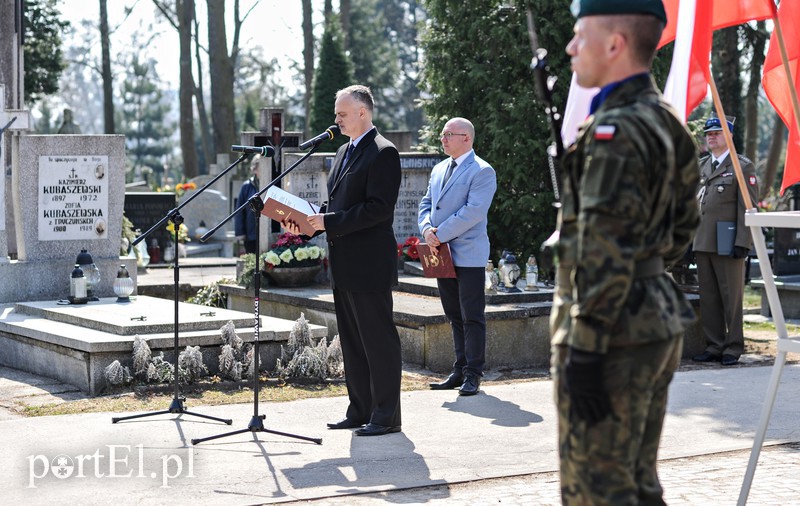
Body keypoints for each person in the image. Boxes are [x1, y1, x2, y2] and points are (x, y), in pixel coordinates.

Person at [551, 1, 700, 503]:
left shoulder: (615, 131)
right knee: (635, 485)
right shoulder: (666, 120)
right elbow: (682, 231)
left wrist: (588, 348)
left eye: (579, 35)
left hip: (610, 332)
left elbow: (603, 246)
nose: (571, 47)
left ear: (614, 43)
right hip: (651, 316)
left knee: (597, 492)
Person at [284, 85, 403, 437]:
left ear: (362, 113)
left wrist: (328, 221)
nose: (335, 119)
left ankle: (386, 415)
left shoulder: (384, 153)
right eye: (336, 113)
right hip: (344, 264)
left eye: (342, 114)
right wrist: (304, 223)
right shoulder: (341, 152)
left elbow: (378, 210)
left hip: (369, 265)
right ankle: (360, 409)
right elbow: (334, 208)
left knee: (377, 341)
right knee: (352, 342)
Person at [419, 117, 497, 396]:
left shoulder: (482, 171)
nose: (443, 139)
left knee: (471, 315)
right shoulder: (440, 168)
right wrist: (427, 228)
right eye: (442, 134)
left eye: (448, 134)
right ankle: (459, 368)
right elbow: (427, 202)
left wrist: (439, 234)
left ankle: (474, 373)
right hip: (441, 252)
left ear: (467, 138)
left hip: (468, 254)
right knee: (453, 314)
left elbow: (473, 211)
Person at [692, 117, 758, 366]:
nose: (711, 137)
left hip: (729, 241)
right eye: (708, 133)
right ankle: (714, 345)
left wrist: (744, 241)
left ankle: (733, 347)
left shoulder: (742, 167)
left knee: (731, 298)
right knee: (709, 297)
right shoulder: (702, 166)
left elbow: (748, 208)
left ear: (729, 137)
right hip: (703, 240)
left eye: (717, 133)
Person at [235, 155, 260, 254]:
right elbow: (239, 211)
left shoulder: (272, 183)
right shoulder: (247, 186)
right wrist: (241, 233)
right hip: (251, 234)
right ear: (255, 169)